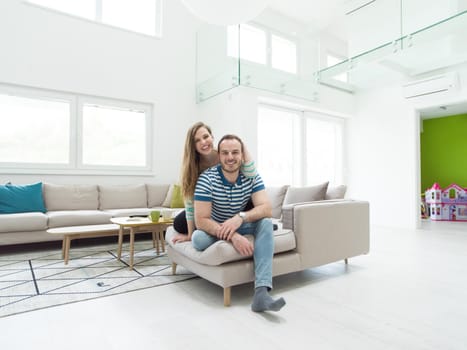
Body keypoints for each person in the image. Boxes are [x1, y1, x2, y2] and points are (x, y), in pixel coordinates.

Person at [192, 134, 286, 313]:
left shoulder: (251, 176)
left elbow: (266, 208)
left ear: (242, 155)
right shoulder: (206, 179)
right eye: (225, 153)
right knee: (198, 239)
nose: (230, 157)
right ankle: (253, 235)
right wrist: (233, 236)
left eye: (235, 152)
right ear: (219, 155)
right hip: (215, 226)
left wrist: (240, 218)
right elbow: (201, 220)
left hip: (240, 222)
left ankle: (261, 294)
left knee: (265, 222)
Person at [171, 122, 255, 244]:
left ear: (212, 137)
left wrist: (242, 146)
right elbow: (190, 204)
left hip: (235, 202)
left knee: (252, 204)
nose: (203, 142)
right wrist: (190, 235)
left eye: (206, 137)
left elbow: (251, 174)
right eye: (197, 140)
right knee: (179, 223)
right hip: (208, 207)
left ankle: (231, 227)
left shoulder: (226, 154)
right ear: (193, 146)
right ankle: (219, 228)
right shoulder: (192, 168)